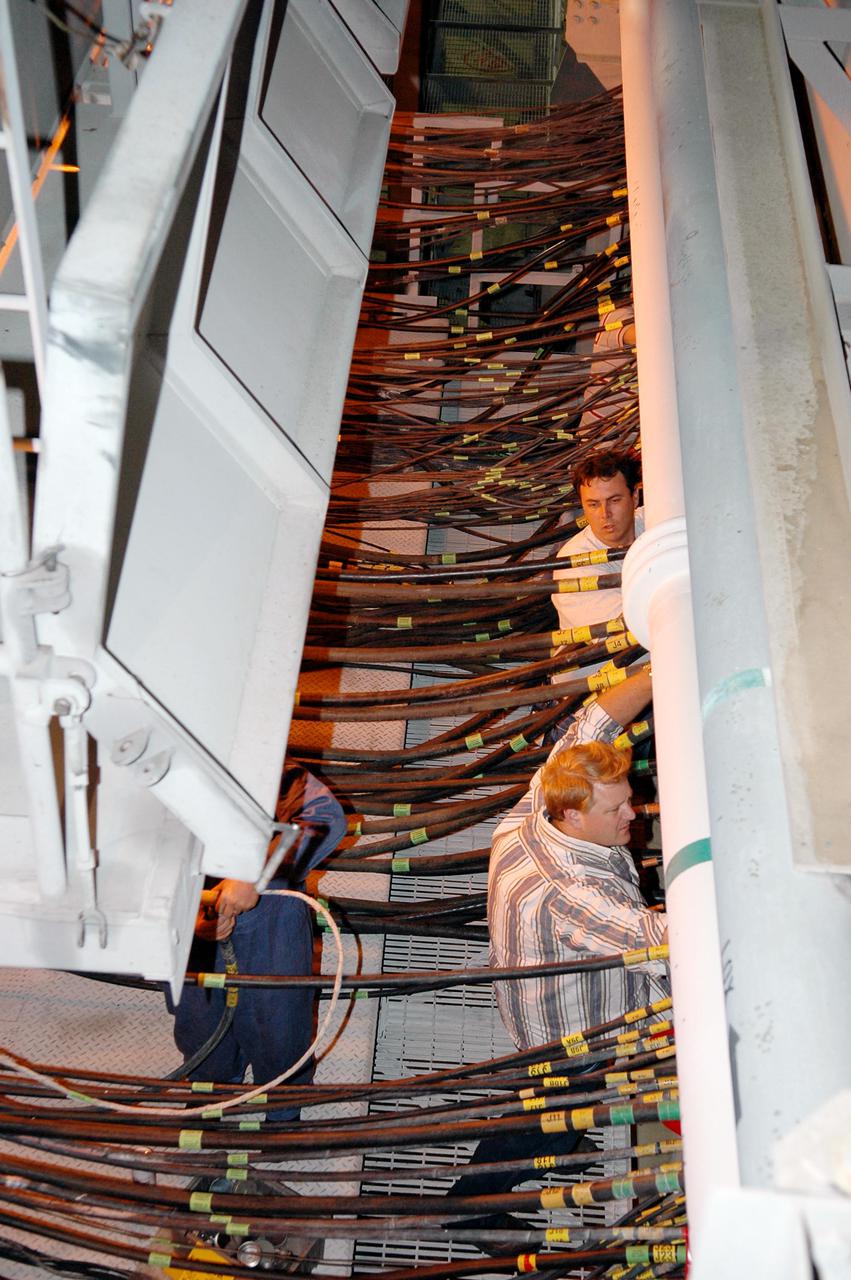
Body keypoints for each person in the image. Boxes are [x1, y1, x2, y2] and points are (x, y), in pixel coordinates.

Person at [451, 672, 661, 1215]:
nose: (632, 814)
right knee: (543, 1120)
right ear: (572, 814)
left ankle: (562, 1143)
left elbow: (598, 718)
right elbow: (665, 940)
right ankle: (473, 1205)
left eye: (628, 801)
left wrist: (659, 671)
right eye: (615, 810)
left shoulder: (543, 799)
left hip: (541, 998)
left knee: (554, 1117)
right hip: (574, 1039)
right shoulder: (568, 894)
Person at [170, 763, 346, 1105]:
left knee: (276, 1021)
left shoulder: (254, 759)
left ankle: (283, 1104)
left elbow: (325, 817)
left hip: (271, 920)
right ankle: (211, 1092)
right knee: (200, 1024)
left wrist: (255, 872)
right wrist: (189, 919)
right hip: (188, 920)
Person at [550, 450, 644, 636]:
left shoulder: (654, 520)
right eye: (593, 504)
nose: (604, 513)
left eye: (614, 500)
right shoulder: (572, 566)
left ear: (634, 497)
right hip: (611, 662)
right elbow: (625, 635)